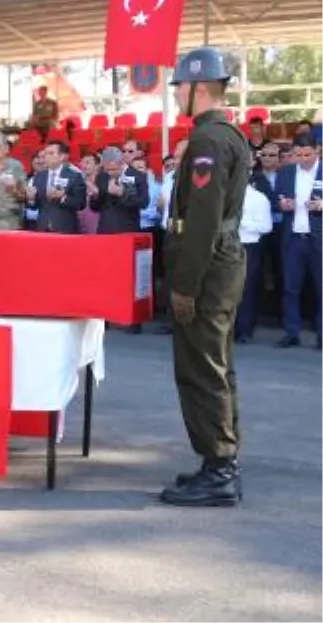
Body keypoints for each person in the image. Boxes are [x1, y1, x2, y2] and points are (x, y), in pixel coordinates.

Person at [161, 46, 250, 508]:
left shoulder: (208, 142)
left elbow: (202, 220)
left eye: (180, 86)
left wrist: (184, 286)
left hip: (207, 265)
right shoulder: (224, 135)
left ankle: (219, 470)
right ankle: (222, 460)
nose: (176, 93)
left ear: (198, 88)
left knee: (201, 369)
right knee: (217, 364)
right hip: (225, 260)